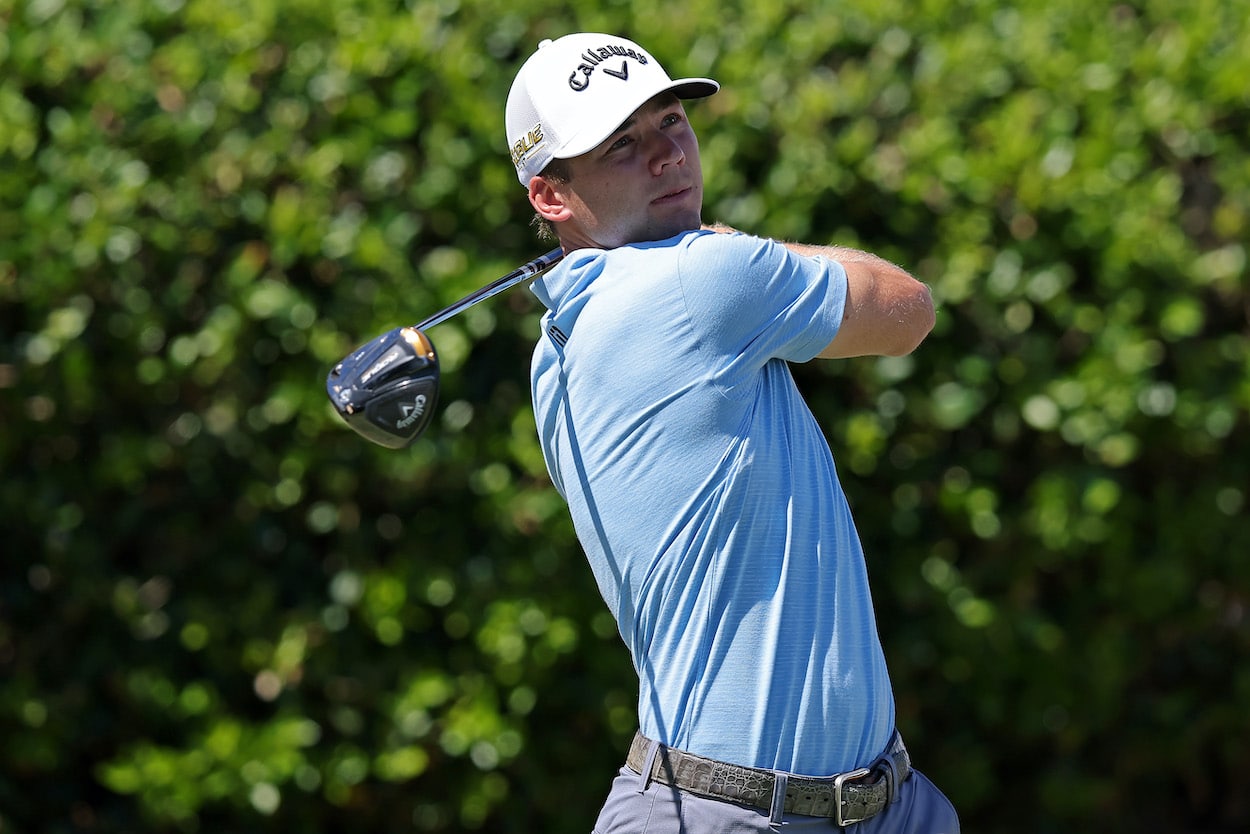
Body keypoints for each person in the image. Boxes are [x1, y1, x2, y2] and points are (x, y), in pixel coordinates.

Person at [504, 33, 959, 833]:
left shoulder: (556, 348)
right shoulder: (698, 279)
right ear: (551, 197)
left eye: (671, 122)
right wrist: (721, 242)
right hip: (730, 816)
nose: (667, 156)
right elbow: (906, 309)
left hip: (880, 803)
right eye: (622, 146)